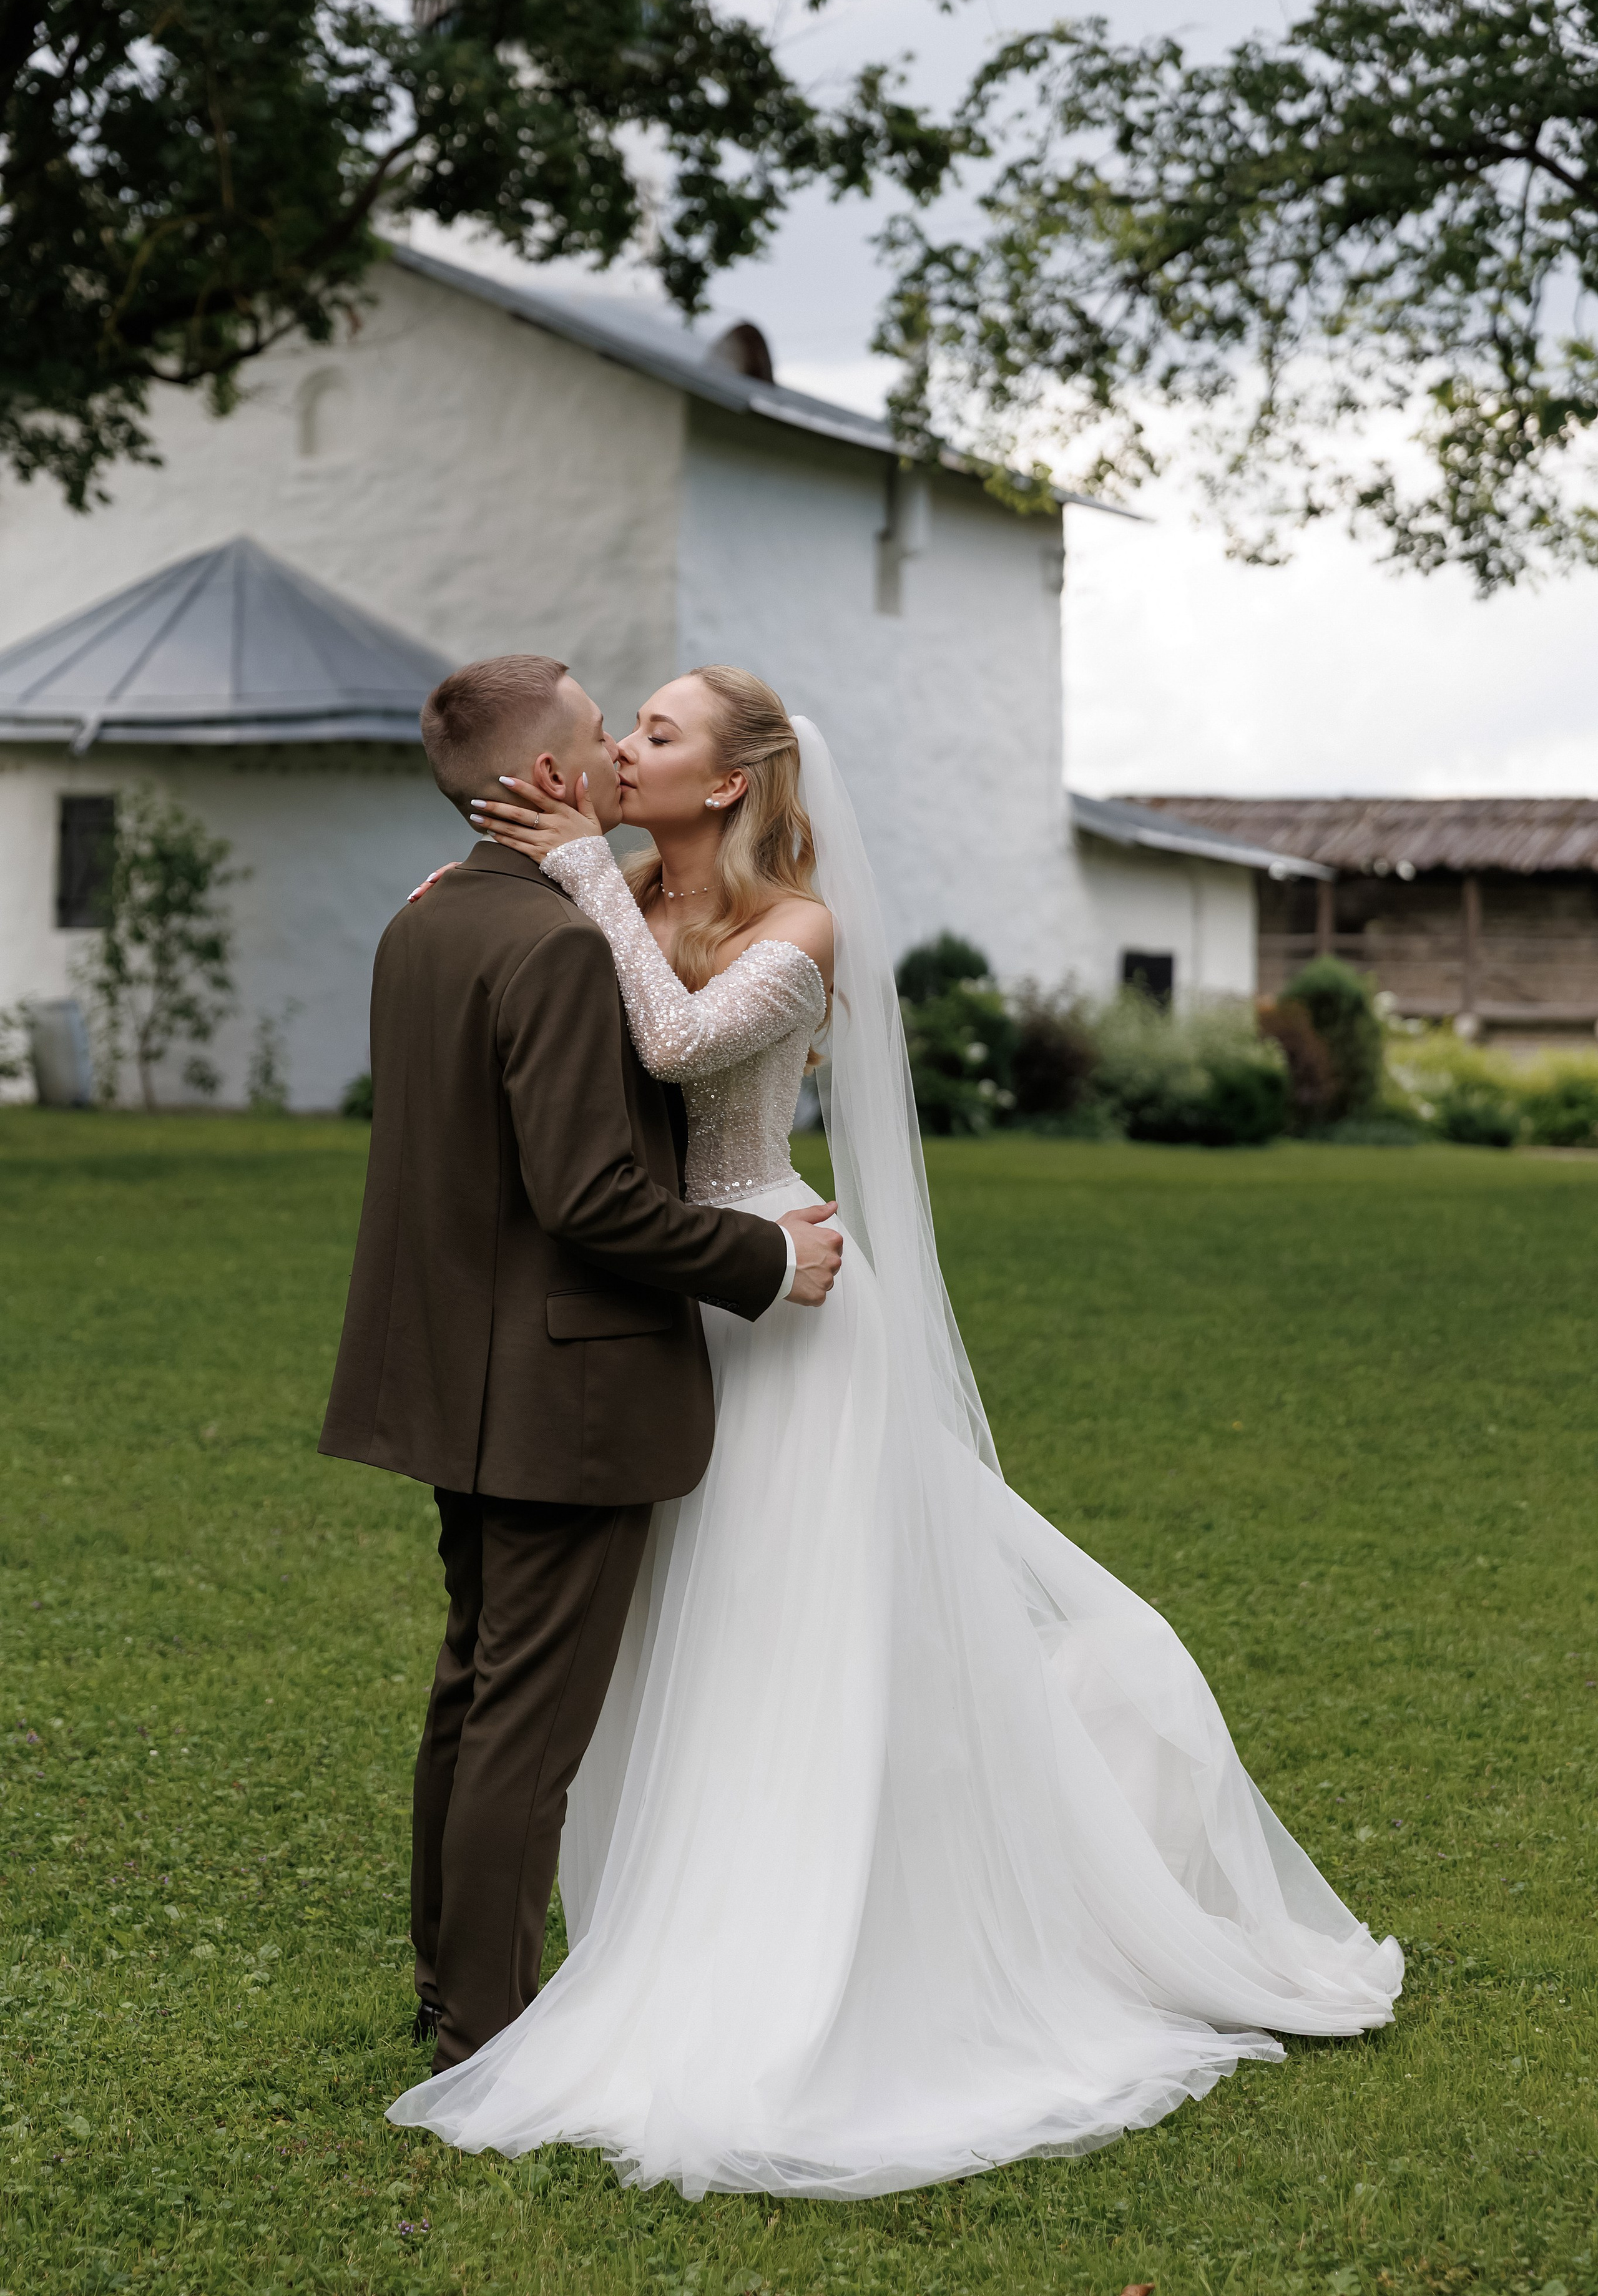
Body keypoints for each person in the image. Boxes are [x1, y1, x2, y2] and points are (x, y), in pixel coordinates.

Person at [388, 665, 1403, 2198]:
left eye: (650, 733)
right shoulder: (588, 897)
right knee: (657, 1646)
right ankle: (634, 1930)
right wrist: (500, 892)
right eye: (613, 732)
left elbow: (666, 1051)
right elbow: (542, 1035)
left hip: (783, 1304)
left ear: (726, 784)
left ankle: (820, 1937)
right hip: (657, 1319)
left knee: (792, 1636)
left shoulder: (792, 930)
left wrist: (572, 877)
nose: (616, 752)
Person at [318, 654, 843, 2074]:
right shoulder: (556, 943)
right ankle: (483, 2025)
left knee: (472, 1689)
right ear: (548, 779)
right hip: (565, 1384)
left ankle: (448, 1983)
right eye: (607, 732)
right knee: (526, 1728)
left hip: (453, 1369)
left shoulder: (426, 920)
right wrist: (762, 1263)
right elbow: (589, 1198)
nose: (621, 750)